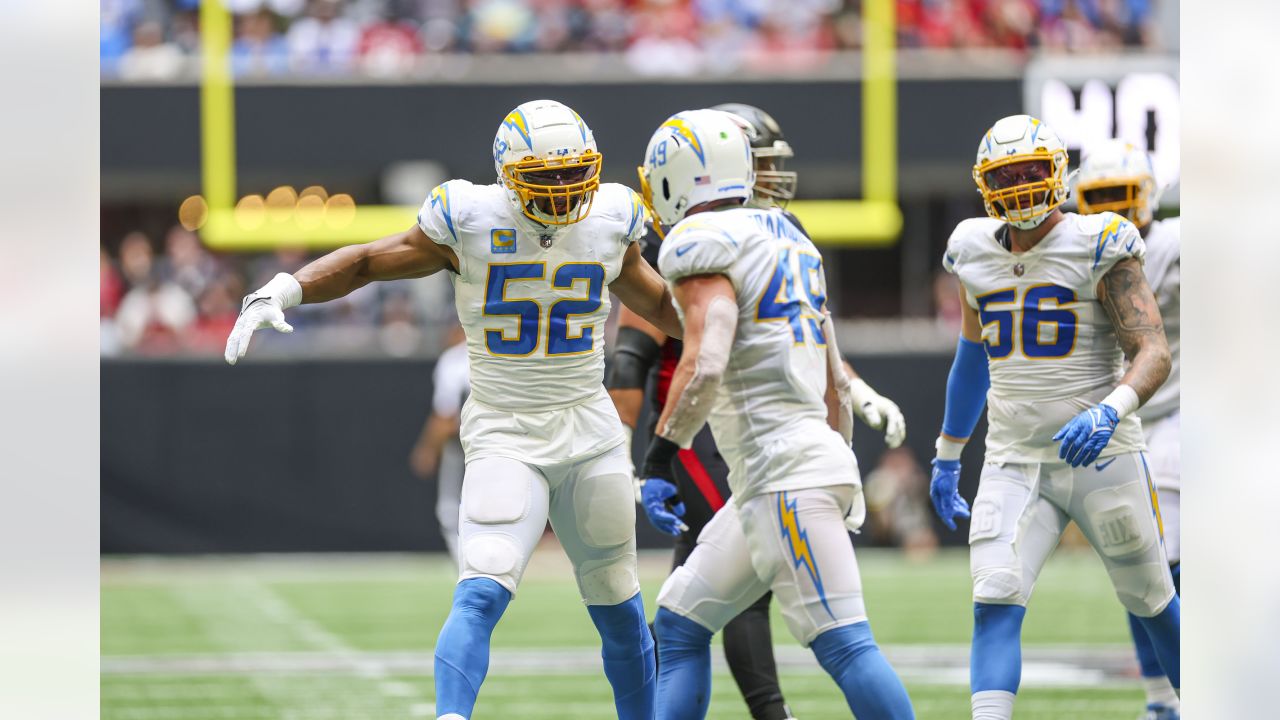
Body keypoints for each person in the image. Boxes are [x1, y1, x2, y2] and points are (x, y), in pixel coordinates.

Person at [224, 99, 682, 720]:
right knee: (481, 592)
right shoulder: (467, 219)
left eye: (576, 174)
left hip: (590, 428)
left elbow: (658, 305)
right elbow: (364, 262)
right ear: (507, 174)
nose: (565, 190)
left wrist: (737, 344)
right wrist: (285, 287)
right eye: (546, 177)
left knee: (620, 605)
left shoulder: (610, 217)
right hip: (504, 430)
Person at [606, 102, 905, 720]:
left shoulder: (697, 239)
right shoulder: (790, 236)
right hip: (780, 472)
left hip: (779, 474)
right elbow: (834, 381)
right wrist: (837, 458)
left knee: (845, 644)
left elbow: (707, 358)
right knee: (683, 621)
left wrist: (659, 456)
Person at [927, 115, 1179, 720]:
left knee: (1152, 600)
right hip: (1014, 459)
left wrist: (1109, 411)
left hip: (1105, 454)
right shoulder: (971, 250)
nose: (1018, 185)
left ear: (1057, 173)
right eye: (1005, 175)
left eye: (1031, 172)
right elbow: (971, 359)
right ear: (984, 184)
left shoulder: (1101, 240)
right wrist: (946, 452)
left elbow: (1153, 351)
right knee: (994, 600)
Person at [1076, 138, 1181, 720]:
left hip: (1180, 415)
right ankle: (1161, 698)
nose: (1112, 212)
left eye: (1122, 197)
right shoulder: (1076, 251)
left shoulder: (1173, 246)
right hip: (1123, 422)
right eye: (1100, 199)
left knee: (1162, 562)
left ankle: (1173, 699)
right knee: (1137, 564)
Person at [410, 323, 470, 569]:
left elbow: (445, 416)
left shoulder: (454, 360)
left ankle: (468, 567)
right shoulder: (499, 352)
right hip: (504, 440)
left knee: (450, 507)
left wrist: (427, 448)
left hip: (463, 442)